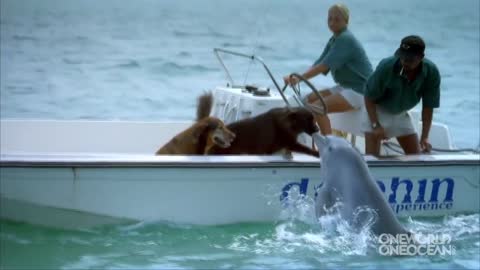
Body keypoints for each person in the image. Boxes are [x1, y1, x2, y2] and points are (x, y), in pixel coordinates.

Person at [283, 3, 373, 135]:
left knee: (318, 108)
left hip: (360, 91)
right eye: (329, 19)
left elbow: (323, 67)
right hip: (345, 87)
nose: (332, 22)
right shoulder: (334, 39)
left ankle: (330, 147)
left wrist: (297, 79)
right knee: (307, 100)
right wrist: (295, 76)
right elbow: (319, 62)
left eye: (337, 19)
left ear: (346, 21)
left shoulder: (345, 39)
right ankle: (315, 143)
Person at [363, 35, 441, 156]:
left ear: (421, 57)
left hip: (401, 114)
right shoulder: (386, 67)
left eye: (410, 59)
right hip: (377, 111)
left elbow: (428, 108)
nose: (405, 62)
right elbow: (368, 97)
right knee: (372, 162)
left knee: (416, 159)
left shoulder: (431, 72)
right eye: (402, 57)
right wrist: (375, 124)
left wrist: (424, 137)